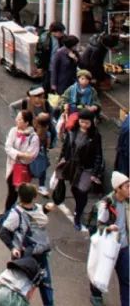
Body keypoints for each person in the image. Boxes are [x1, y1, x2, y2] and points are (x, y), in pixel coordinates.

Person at [0, 183, 54, 306]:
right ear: (33, 197)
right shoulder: (16, 214)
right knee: (22, 289)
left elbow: (36, 215)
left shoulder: (36, 207)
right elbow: (4, 231)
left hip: (41, 254)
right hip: (25, 257)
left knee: (46, 285)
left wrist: (46, 209)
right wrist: (13, 248)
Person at [87, 170, 128, 306]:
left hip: (123, 246)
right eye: (127, 186)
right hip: (108, 246)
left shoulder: (127, 202)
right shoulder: (106, 204)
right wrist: (108, 228)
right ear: (118, 189)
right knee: (102, 272)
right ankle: (96, 294)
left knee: (126, 278)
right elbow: (99, 225)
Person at [59, 108, 104, 231]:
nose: (84, 125)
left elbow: (98, 155)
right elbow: (65, 148)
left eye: (86, 122)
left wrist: (95, 173)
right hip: (73, 166)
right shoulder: (72, 132)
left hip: (87, 168)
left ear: (92, 122)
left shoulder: (95, 136)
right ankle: (79, 208)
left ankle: (78, 215)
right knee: (74, 188)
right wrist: (61, 160)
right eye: (82, 122)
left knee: (82, 191)